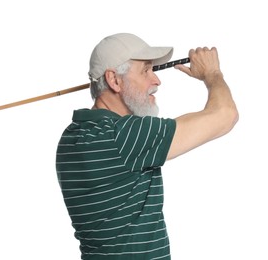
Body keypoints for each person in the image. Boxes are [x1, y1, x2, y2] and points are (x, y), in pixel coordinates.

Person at [56, 33, 238, 259]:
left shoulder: (72, 136)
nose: (157, 81)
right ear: (114, 80)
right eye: (145, 71)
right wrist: (212, 74)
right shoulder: (122, 136)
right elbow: (225, 115)